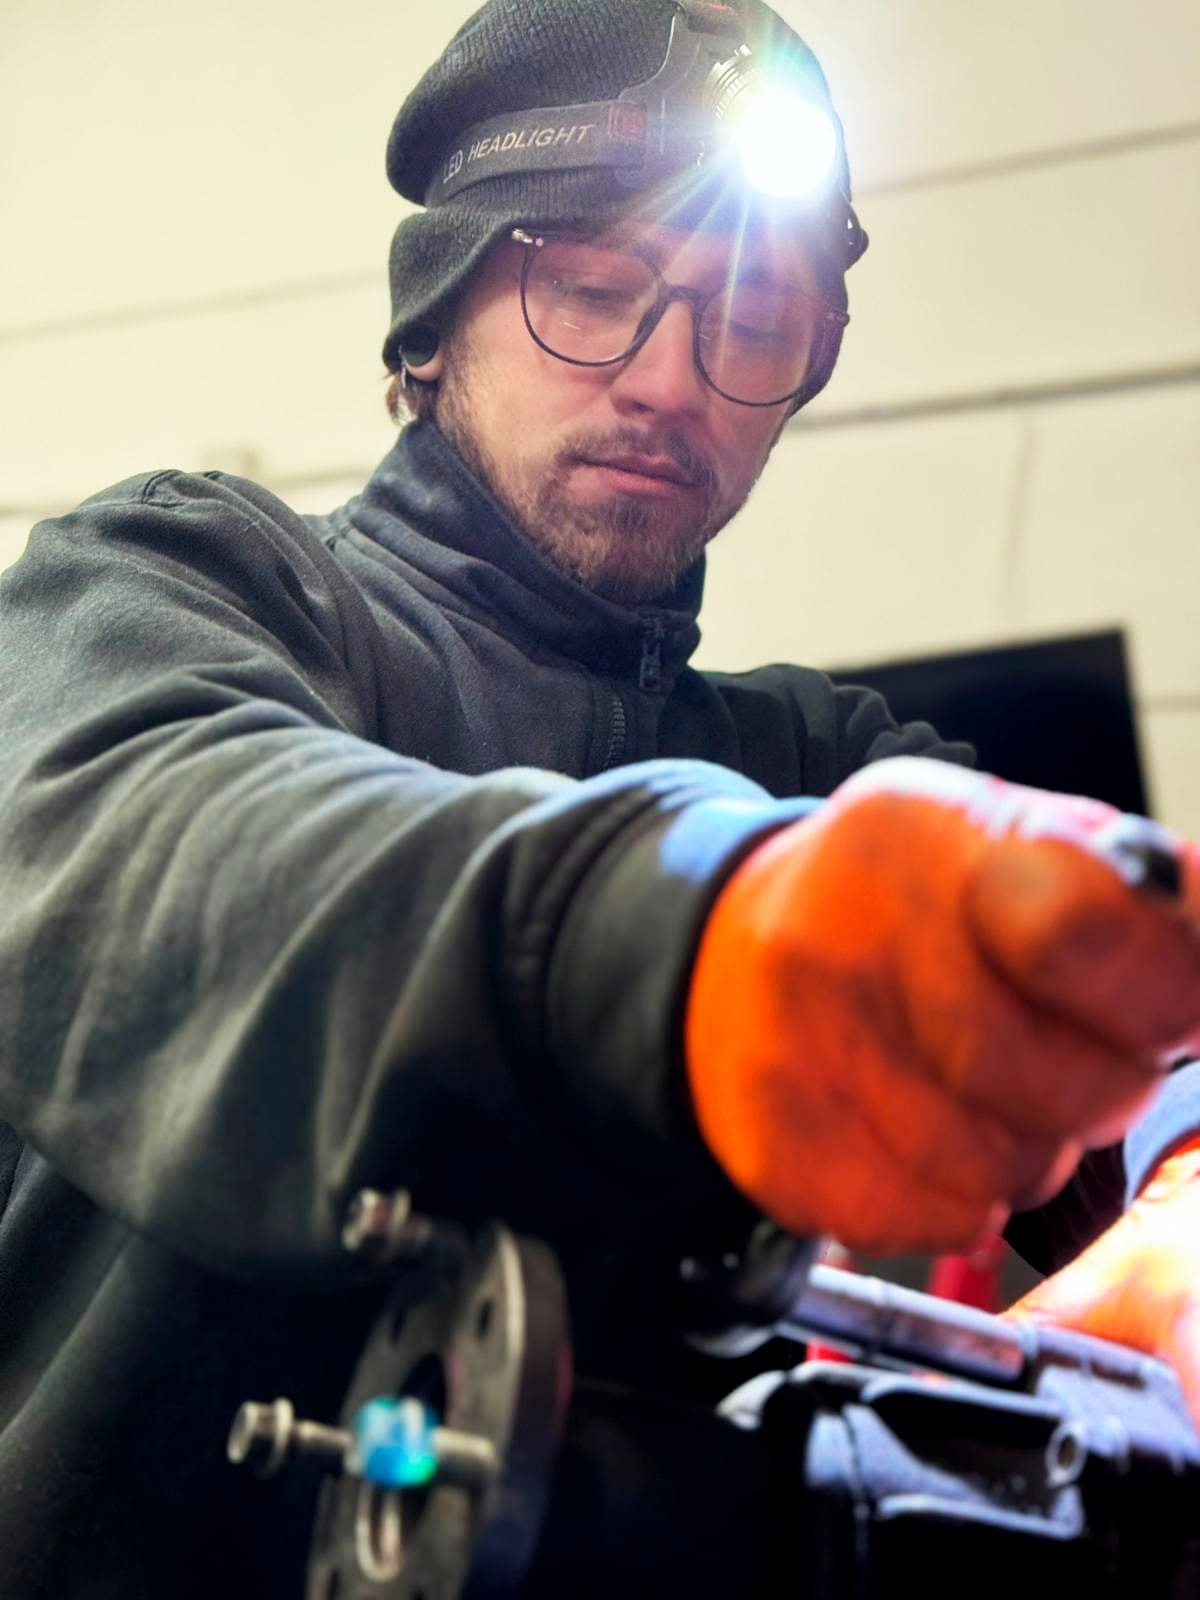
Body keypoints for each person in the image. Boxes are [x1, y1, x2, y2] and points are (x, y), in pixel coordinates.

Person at [0, 1, 1198, 1594]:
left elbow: (1121, 973)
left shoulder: (825, 768)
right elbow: (162, 859)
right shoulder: (188, 587)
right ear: (431, 324)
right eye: (591, 292)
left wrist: (1175, 1208)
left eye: (752, 325)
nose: (669, 380)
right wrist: (682, 942)